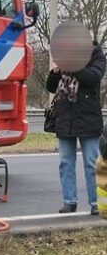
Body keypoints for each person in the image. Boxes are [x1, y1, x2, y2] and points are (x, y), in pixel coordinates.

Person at [45, 40, 106, 214]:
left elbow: (92, 78)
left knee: (91, 162)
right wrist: (56, 71)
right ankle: (69, 201)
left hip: (87, 117)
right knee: (65, 162)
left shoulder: (96, 54)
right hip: (64, 116)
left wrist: (73, 65)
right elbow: (50, 87)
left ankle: (95, 203)